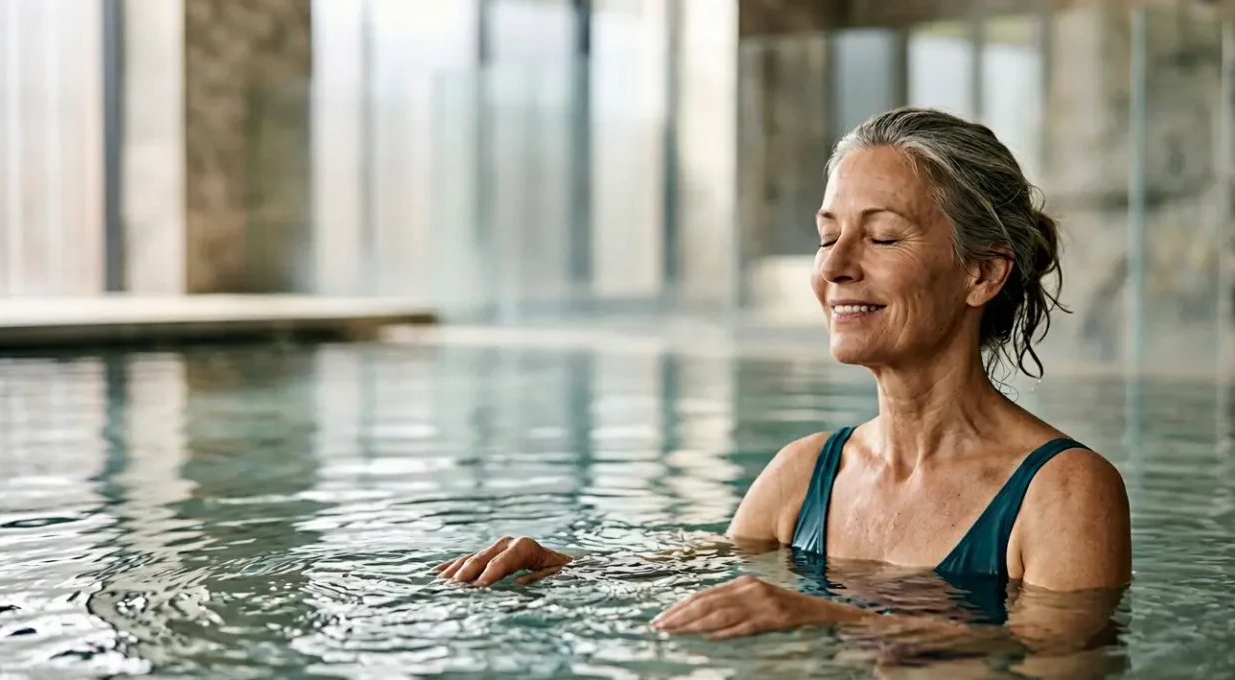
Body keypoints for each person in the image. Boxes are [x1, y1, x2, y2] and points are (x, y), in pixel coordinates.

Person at [433, 107, 1132, 651]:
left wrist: (833, 619)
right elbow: (706, 567)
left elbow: (1060, 658)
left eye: (881, 236)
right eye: (828, 236)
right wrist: (569, 569)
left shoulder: (1063, 491)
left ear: (982, 273)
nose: (833, 268)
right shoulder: (805, 473)